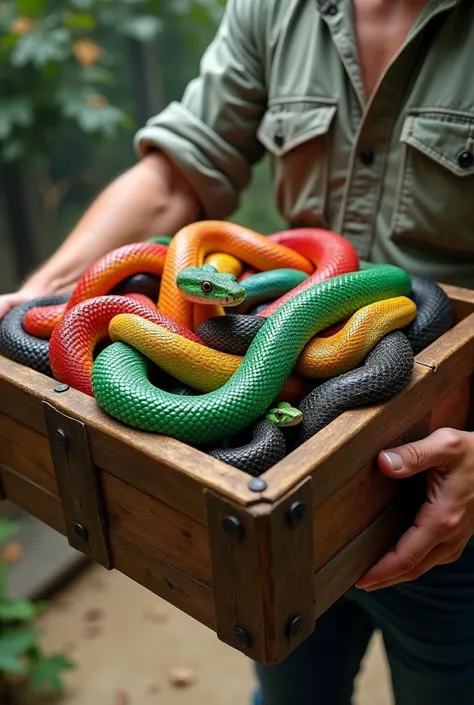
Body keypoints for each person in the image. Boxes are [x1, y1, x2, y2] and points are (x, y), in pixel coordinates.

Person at [2, 1, 474, 702]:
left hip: (449, 483)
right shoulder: (275, 7)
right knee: (286, 683)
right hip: (285, 497)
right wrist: (35, 297)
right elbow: (175, 177)